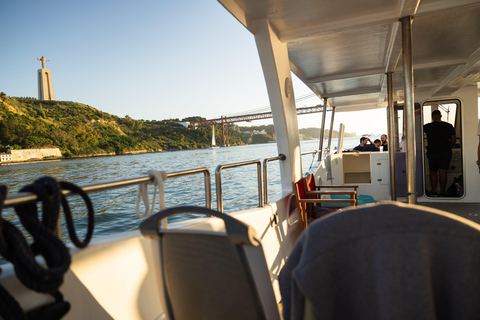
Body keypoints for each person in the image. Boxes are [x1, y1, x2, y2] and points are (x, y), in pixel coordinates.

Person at [423, 110, 456, 196]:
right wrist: (449, 145)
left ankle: (433, 191)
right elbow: (453, 140)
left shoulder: (427, 127)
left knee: (433, 171)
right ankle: (443, 192)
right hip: (446, 151)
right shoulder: (449, 126)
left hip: (432, 151)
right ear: (441, 116)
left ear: (432, 117)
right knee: (443, 171)